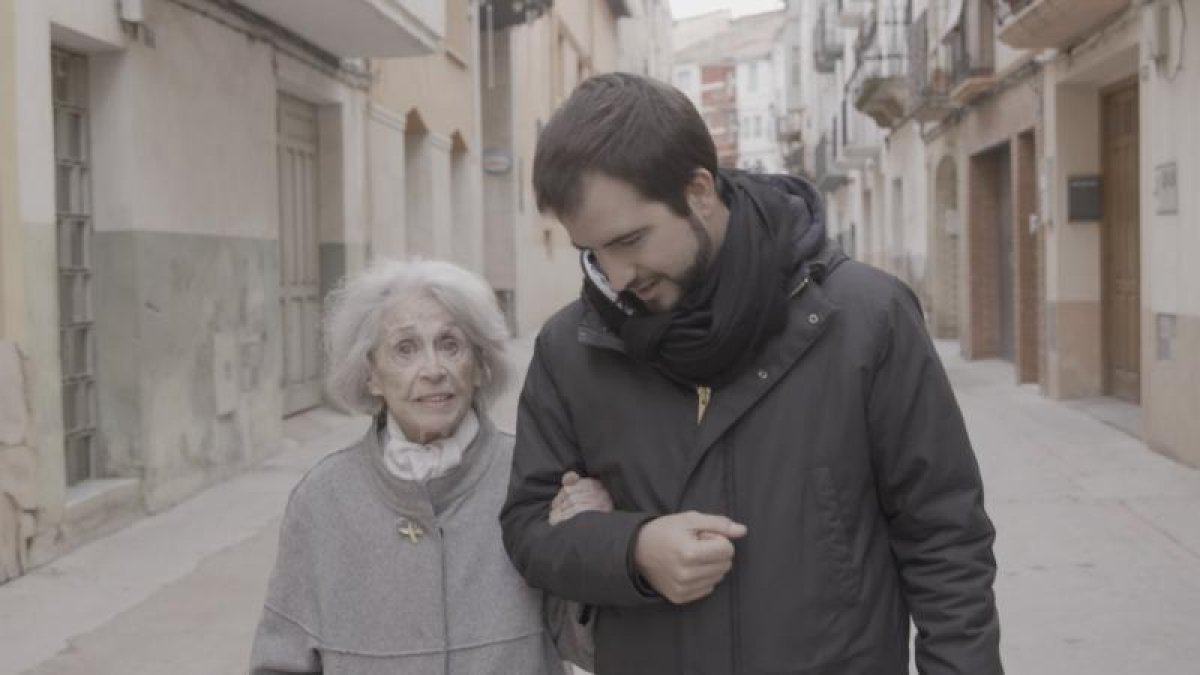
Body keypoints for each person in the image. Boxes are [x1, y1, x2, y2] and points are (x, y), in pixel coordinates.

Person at [500, 72, 1002, 674]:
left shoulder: (867, 318)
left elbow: (946, 536)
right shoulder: (571, 348)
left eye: (630, 239)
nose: (617, 275)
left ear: (699, 191)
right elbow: (528, 529)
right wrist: (632, 551)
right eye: (593, 251)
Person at [250, 259, 611, 674]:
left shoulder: (531, 477)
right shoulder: (323, 499)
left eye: (450, 345)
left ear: (480, 365)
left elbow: (595, 649)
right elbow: (279, 662)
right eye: (405, 349)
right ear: (371, 375)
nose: (433, 370)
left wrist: (594, 547)